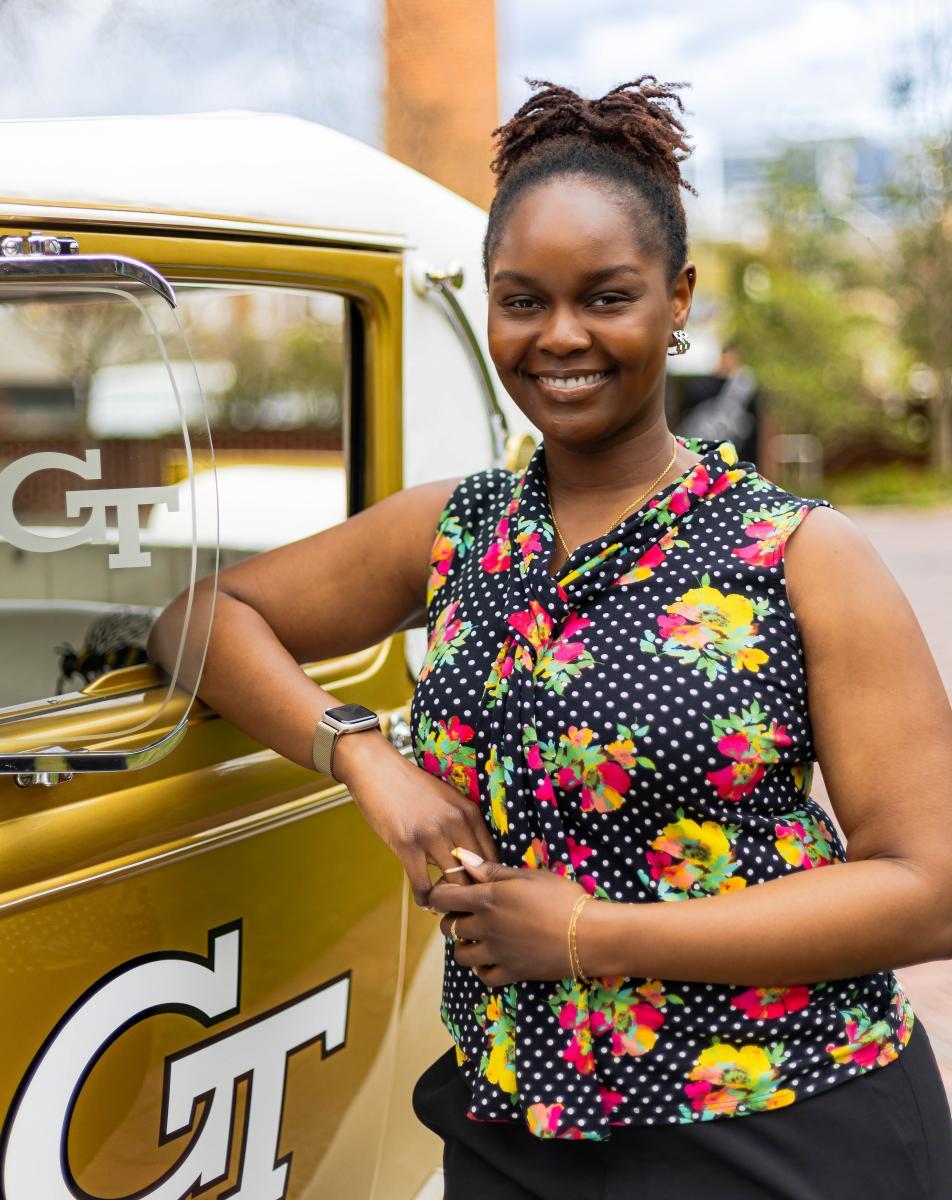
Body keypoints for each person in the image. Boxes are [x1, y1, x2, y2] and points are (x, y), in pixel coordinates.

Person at [149, 77, 952, 1199]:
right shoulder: (455, 528)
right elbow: (198, 619)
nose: (561, 336)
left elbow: (928, 887)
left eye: (606, 297)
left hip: (782, 1120)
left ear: (677, 299)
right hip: (516, 1124)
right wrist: (366, 758)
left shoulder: (796, 553)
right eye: (522, 300)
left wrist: (588, 934)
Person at [678, 341, 760, 464]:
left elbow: (754, 427)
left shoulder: (746, 388)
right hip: (702, 451)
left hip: (736, 455)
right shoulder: (701, 386)